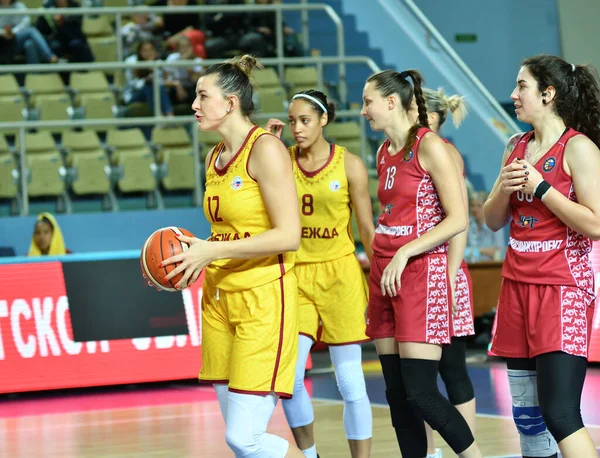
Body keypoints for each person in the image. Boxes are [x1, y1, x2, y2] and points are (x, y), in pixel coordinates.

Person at [161, 55, 304, 458]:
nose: (193, 104)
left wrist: (213, 251)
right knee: (243, 444)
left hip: (263, 301)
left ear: (229, 103)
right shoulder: (214, 157)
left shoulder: (267, 149)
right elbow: (225, 232)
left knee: (243, 439)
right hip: (220, 301)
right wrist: (183, 262)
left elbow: (289, 235)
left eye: (202, 95)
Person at [360, 69, 482, 458]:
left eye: (368, 102)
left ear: (392, 102)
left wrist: (406, 251)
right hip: (384, 272)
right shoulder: (382, 152)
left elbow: (458, 218)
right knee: (397, 396)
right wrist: (387, 253)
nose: (363, 111)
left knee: (422, 392)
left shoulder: (430, 146)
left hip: (419, 272)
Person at [484, 54, 600, 458]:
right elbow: (492, 220)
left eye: (522, 86)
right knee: (527, 416)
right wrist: (504, 184)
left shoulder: (579, 148)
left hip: (561, 290)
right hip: (516, 288)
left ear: (548, 94)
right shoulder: (515, 147)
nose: (513, 95)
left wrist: (541, 188)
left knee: (561, 414)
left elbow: (596, 224)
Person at [265, 89, 374, 458]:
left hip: (341, 275)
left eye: (305, 120)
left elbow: (366, 229)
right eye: (293, 121)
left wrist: (377, 278)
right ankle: (310, 456)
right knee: (291, 377)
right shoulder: (281, 160)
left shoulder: (350, 165)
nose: (297, 128)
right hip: (297, 275)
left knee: (350, 380)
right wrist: (266, 147)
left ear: (324, 120)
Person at [421, 87, 476, 458]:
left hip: (445, 272)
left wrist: (451, 275)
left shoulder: (445, 152)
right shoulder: (407, 152)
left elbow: (460, 221)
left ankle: (467, 448)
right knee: (420, 375)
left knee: (452, 368)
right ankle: (430, 449)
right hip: (421, 274)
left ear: (437, 119)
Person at [465, 191, 505, 262]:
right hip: (470, 266)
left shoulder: (495, 224)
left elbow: (498, 252)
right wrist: (481, 251)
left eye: (478, 206)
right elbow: (461, 251)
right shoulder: (467, 224)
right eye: (473, 206)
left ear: (487, 207)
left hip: (489, 267)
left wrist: (472, 251)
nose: (475, 209)